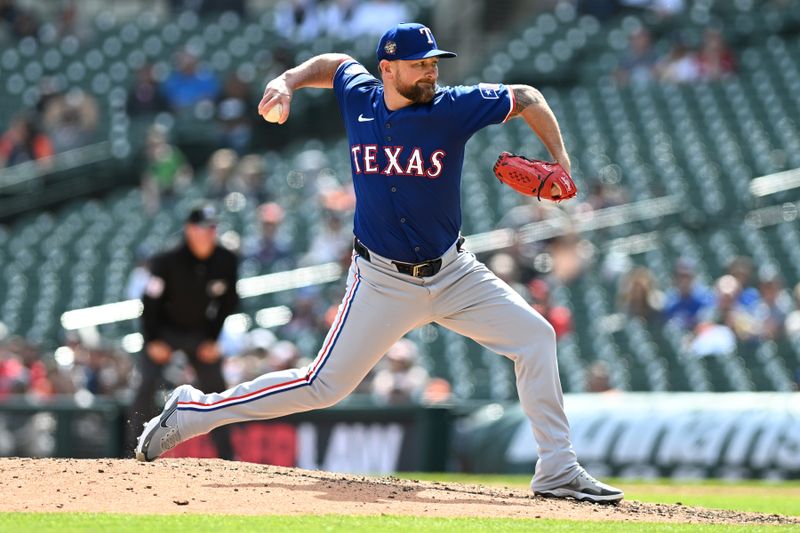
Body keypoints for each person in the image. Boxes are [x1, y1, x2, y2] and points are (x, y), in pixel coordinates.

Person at [136, 22, 623, 504]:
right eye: (420, 65)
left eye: (434, 63)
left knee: (535, 337)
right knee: (322, 386)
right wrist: (286, 80)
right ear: (387, 69)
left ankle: (558, 468)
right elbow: (332, 64)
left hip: (454, 272)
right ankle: (193, 412)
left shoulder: (452, 106)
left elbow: (529, 96)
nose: (431, 72)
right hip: (381, 280)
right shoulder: (359, 95)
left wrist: (561, 160)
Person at [129, 202, 239, 460]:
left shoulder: (226, 259)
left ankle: (228, 458)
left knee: (218, 389)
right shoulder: (166, 261)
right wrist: (153, 340)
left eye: (212, 228)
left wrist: (212, 338)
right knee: (145, 383)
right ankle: (132, 451)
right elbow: (150, 303)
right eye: (202, 228)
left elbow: (229, 301)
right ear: (189, 230)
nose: (208, 233)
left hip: (200, 333)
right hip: (165, 331)